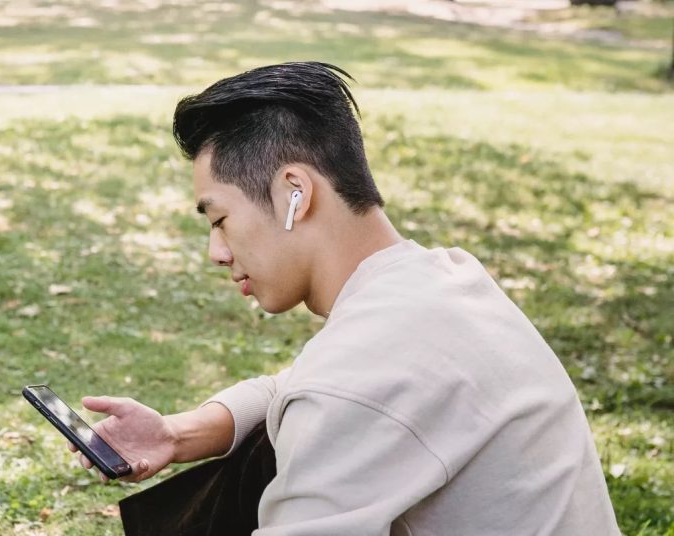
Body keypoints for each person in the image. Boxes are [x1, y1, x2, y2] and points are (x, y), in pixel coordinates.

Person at [69, 62, 620, 535]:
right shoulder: (441, 279)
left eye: (219, 219)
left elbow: (335, 394)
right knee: (266, 449)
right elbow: (298, 391)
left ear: (294, 192)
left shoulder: (354, 381)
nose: (216, 250)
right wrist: (176, 433)